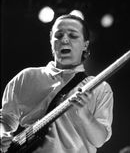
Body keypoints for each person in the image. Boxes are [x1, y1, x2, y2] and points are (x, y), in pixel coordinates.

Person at [0, 14, 113, 153]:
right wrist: (2, 135)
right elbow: (5, 119)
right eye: (58, 35)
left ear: (85, 44)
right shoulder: (26, 77)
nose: (64, 40)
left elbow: (99, 140)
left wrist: (85, 114)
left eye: (73, 35)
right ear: (51, 40)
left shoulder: (100, 87)